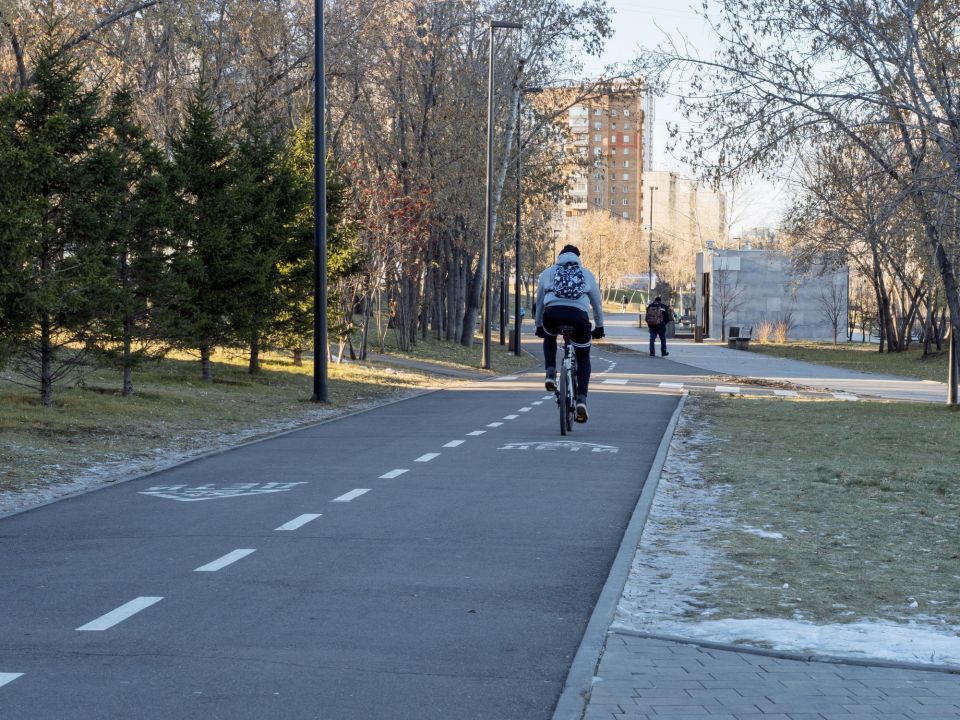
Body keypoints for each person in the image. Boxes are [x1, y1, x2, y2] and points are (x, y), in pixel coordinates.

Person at [535, 245, 604, 423]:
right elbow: (597, 303)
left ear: (559, 257)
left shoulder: (547, 272)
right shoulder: (586, 274)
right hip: (579, 318)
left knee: (549, 335)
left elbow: (540, 302)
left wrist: (539, 325)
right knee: (583, 358)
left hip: (552, 314)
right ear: (579, 258)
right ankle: (581, 399)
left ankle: (550, 372)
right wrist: (600, 326)